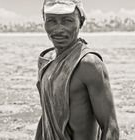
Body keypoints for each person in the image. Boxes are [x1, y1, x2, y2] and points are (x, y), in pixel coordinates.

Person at [35, 0, 119, 140]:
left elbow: (111, 127)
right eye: (51, 21)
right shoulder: (46, 61)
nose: (58, 29)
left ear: (81, 21)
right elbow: (46, 117)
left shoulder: (88, 64)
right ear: (44, 21)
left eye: (67, 20)